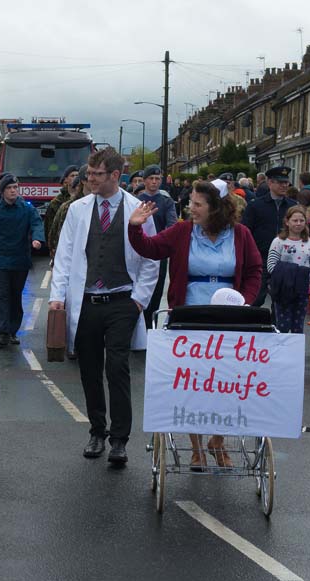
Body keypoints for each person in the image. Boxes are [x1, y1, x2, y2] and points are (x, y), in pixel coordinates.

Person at [127, 179, 261, 469]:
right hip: (189, 316)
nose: (190, 208)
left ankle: (218, 440)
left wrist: (244, 302)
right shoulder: (183, 231)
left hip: (229, 320)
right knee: (194, 383)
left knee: (226, 383)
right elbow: (150, 248)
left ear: (216, 208)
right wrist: (135, 227)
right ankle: (197, 447)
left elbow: (254, 271)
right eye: (191, 203)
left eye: (197, 204)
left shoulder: (241, 234)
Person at [50, 149, 159, 464]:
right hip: (85, 301)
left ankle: (120, 439)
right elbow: (65, 257)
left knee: (117, 368)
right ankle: (97, 431)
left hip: (122, 301)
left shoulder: (138, 208)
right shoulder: (78, 210)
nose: (89, 178)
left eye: (97, 173)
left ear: (115, 174)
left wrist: (139, 301)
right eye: (89, 173)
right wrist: (58, 296)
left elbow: (151, 259)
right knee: (90, 369)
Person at [0, 173, 45, 346]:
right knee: (2, 295)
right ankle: (2, 332)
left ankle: (13, 331)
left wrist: (37, 239)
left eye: (15, 187)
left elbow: (37, 223)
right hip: (1, 260)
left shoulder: (26, 209)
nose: (13, 191)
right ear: (2, 191)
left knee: (16, 295)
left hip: (20, 260)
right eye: (9, 188)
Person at [266, 205, 310, 333]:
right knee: (282, 326)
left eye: (301, 220)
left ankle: (296, 352)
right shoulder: (278, 242)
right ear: (287, 222)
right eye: (295, 220)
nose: (298, 224)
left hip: (302, 289)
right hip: (283, 289)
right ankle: (281, 352)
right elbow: (271, 266)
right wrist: (294, 272)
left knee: (298, 326)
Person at [241, 166, 297, 306]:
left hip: (286, 257)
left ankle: (276, 326)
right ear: (270, 183)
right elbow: (246, 232)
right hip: (261, 257)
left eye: (286, 182)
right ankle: (252, 326)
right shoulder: (256, 206)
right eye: (280, 182)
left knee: (281, 301)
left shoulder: (292, 206)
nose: (284, 186)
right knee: (256, 297)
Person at [138, 165, 178, 326]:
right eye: (151, 179)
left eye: (157, 179)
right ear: (145, 180)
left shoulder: (166, 202)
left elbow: (172, 225)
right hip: (138, 251)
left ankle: (150, 327)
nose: (154, 182)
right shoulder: (137, 200)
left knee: (155, 292)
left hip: (158, 252)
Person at [45, 165, 80, 241]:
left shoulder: (85, 199)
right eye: (72, 175)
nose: (75, 177)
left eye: (77, 175)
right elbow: (50, 229)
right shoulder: (56, 202)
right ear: (66, 179)